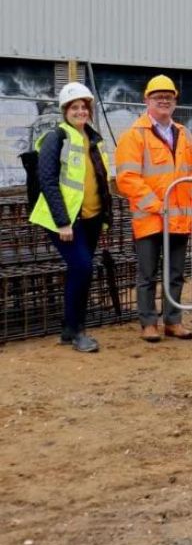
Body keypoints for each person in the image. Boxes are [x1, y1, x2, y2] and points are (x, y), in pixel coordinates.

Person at [115, 74, 192, 342]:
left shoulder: (184, 134)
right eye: (158, 97)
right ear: (147, 101)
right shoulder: (134, 136)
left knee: (175, 273)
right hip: (150, 219)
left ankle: (173, 320)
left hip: (180, 218)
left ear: (175, 101)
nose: (164, 101)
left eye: (169, 97)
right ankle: (148, 323)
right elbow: (127, 178)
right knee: (147, 274)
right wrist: (158, 205)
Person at [28, 82, 113, 352]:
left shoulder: (93, 139)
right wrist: (62, 221)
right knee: (82, 268)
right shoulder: (57, 138)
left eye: (84, 107)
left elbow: (99, 180)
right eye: (74, 107)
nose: (80, 111)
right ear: (65, 111)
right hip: (65, 220)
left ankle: (69, 328)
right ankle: (77, 331)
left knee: (82, 272)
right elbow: (48, 181)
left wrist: (105, 217)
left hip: (91, 218)